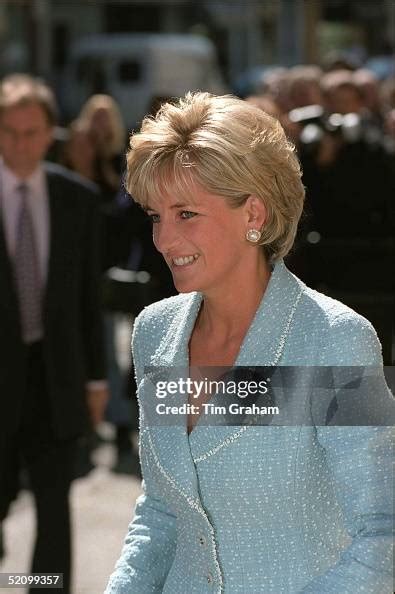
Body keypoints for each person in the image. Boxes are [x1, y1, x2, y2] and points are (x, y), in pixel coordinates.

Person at [105, 92, 393, 593]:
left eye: (186, 214)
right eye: (156, 216)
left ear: (253, 213)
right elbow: (161, 514)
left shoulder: (335, 341)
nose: (164, 241)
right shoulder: (155, 332)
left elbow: (383, 535)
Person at [0, 74, 108, 593]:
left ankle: (42, 588)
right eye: (9, 132)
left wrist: (95, 380)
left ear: (51, 134)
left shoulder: (76, 200)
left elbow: (91, 299)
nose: (20, 144)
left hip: (55, 377)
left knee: (52, 504)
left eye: (31, 131)